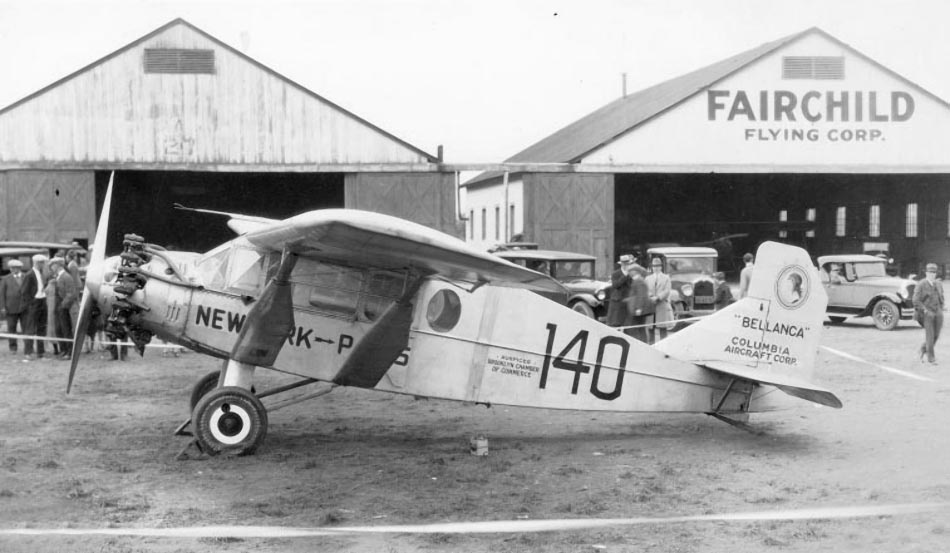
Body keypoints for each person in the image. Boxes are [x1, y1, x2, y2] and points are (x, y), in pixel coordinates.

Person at [913, 262, 944, 364]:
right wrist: (924, 310)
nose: (932, 274)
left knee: (936, 335)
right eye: (930, 272)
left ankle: (922, 349)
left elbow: (941, 296)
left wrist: (942, 307)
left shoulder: (938, 284)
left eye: (934, 272)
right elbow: (915, 300)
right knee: (930, 336)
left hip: (938, 312)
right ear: (926, 273)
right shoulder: (921, 284)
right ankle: (931, 359)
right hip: (927, 313)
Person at [49, 257, 79, 359]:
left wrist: (63, 305)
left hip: (64, 307)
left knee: (66, 329)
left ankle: (69, 352)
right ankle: (63, 350)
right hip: (58, 307)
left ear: (57, 265)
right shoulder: (57, 277)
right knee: (59, 329)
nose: (51, 267)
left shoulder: (66, 277)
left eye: (52, 265)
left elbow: (71, 293)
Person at [20, 254, 48, 360]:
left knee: (41, 328)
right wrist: (31, 303)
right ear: (37, 263)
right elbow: (24, 292)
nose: (43, 265)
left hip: (42, 301)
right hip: (34, 303)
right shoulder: (29, 275)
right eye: (42, 262)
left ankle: (41, 352)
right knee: (30, 328)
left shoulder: (41, 273)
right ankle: (28, 352)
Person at [0, 260, 27, 353]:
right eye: (12, 268)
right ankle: (13, 347)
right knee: (11, 328)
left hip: (24, 308)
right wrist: (2, 307)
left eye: (16, 268)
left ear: (20, 268)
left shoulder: (25, 277)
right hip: (10, 307)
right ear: (10, 269)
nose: (14, 270)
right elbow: (2, 294)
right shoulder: (5, 279)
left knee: (26, 328)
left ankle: (27, 347)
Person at [644, 257, 673, 344]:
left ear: (661, 267)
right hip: (651, 306)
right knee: (651, 329)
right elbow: (646, 290)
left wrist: (658, 297)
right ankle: (651, 347)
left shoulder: (666, 278)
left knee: (663, 330)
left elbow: (667, 291)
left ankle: (664, 347)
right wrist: (651, 297)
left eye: (657, 266)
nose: (655, 268)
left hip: (662, 306)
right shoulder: (648, 279)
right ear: (652, 267)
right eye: (654, 266)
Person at [606, 255, 636, 328]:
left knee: (627, 325)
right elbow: (616, 285)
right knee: (616, 324)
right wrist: (625, 276)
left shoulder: (631, 274)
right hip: (617, 303)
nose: (626, 266)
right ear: (621, 264)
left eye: (628, 264)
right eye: (625, 264)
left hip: (627, 302)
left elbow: (633, 286)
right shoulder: (615, 274)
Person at [623, 264, 651, 343]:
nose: (629, 273)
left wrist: (639, 308)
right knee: (640, 328)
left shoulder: (639, 281)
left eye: (630, 271)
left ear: (635, 272)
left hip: (638, 310)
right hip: (638, 308)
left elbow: (641, 296)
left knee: (636, 328)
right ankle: (643, 343)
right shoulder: (638, 280)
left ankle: (641, 343)